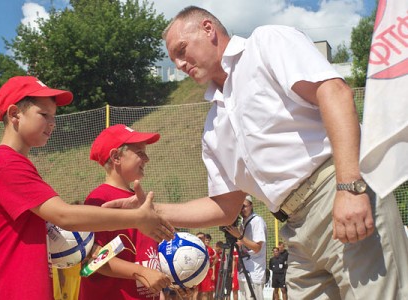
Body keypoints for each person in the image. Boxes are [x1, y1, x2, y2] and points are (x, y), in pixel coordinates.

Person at [151, 5, 408, 300]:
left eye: (181, 50)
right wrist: (154, 212)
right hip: (295, 229)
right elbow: (226, 206)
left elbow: (334, 92)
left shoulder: (264, 44)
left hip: (334, 190)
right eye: (174, 59)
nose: (180, 63)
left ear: (208, 28)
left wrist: (349, 186)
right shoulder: (213, 125)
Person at [0, 76, 174, 300]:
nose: (52, 123)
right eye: (44, 115)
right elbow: (74, 232)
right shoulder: (5, 162)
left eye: (54, 116)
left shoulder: (16, 166)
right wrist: (138, 228)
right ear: (14, 114)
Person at [79, 124, 171, 300]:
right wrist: (142, 272)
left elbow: (146, 257)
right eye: (139, 152)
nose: (147, 159)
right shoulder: (99, 199)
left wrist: (163, 286)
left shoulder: (138, 200)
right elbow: (93, 262)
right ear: (116, 157)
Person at [225, 196, 267, 300]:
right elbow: (244, 243)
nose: (242, 210)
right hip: (243, 271)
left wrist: (239, 236)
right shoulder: (243, 223)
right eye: (239, 207)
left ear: (251, 206)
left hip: (254, 273)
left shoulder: (257, 221)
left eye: (244, 206)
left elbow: (257, 248)